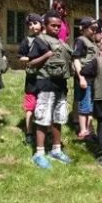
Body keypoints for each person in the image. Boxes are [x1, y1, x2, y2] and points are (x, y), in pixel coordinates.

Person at [28, 10, 73, 169]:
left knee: (58, 118)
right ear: (45, 25)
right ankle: (39, 153)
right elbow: (31, 63)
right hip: (45, 83)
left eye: (58, 26)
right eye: (53, 25)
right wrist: (46, 55)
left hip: (61, 84)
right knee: (42, 118)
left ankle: (56, 150)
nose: (56, 28)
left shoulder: (62, 43)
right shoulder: (39, 40)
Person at [72, 17, 99, 140]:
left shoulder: (91, 42)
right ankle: (83, 131)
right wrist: (81, 77)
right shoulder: (81, 41)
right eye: (92, 28)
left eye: (96, 29)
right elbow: (76, 59)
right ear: (83, 29)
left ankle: (89, 129)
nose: (94, 31)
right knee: (84, 104)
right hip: (84, 78)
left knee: (90, 105)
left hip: (93, 78)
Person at [18, 13, 43, 145]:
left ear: (41, 24)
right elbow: (20, 57)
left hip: (45, 78)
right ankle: (29, 132)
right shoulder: (26, 41)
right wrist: (31, 58)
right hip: (32, 79)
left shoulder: (47, 39)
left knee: (44, 105)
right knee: (30, 107)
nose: (33, 26)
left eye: (35, 23)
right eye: (30, 24)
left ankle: (47, 132)